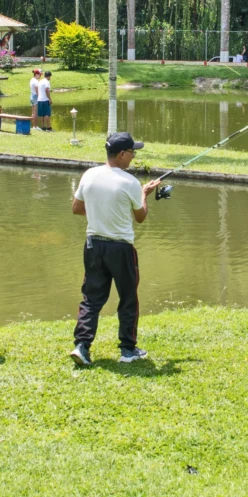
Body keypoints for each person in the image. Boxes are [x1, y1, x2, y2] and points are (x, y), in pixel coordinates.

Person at [70, 132, 161, 366]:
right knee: (128, 298)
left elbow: (77, 208)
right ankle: (127, 350)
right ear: (121, 154)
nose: (133, 157)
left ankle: (82, 346)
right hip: (121, 248)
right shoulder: (130, 182)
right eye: (132, 152)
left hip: (93, 245)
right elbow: (140, 216)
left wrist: (102, 212)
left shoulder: (89, 175)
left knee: (91, 298)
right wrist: (144, 194)